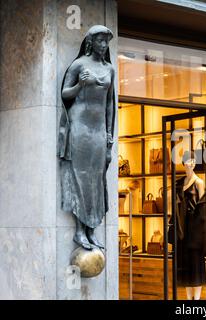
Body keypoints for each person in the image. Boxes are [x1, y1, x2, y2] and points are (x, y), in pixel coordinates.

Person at [58, 25, 115, 250]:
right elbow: (65, 94)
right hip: (80, 126)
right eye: (100, 41)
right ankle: (80, 231)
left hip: (99, 129)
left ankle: (92, 229)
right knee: (80, 178)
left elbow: (110, 103)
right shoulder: (79, 65)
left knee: (97, 179)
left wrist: (110, 134)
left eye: (106, 42)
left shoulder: (110, 69)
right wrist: (80, 84)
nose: (104, 45)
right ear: (91, 42)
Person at [169, 151, 206, 300]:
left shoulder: (199, 183)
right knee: (185, 270)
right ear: (183, 163)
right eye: (188, 160)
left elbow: (203, 211)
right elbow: (174, 208)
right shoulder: (179, 183)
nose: (190, 163)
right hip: (181, 232)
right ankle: (188, 299)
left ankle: (196, 300)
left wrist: (201, 237)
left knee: (195, 269)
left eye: (193, 160)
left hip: (195, 233)